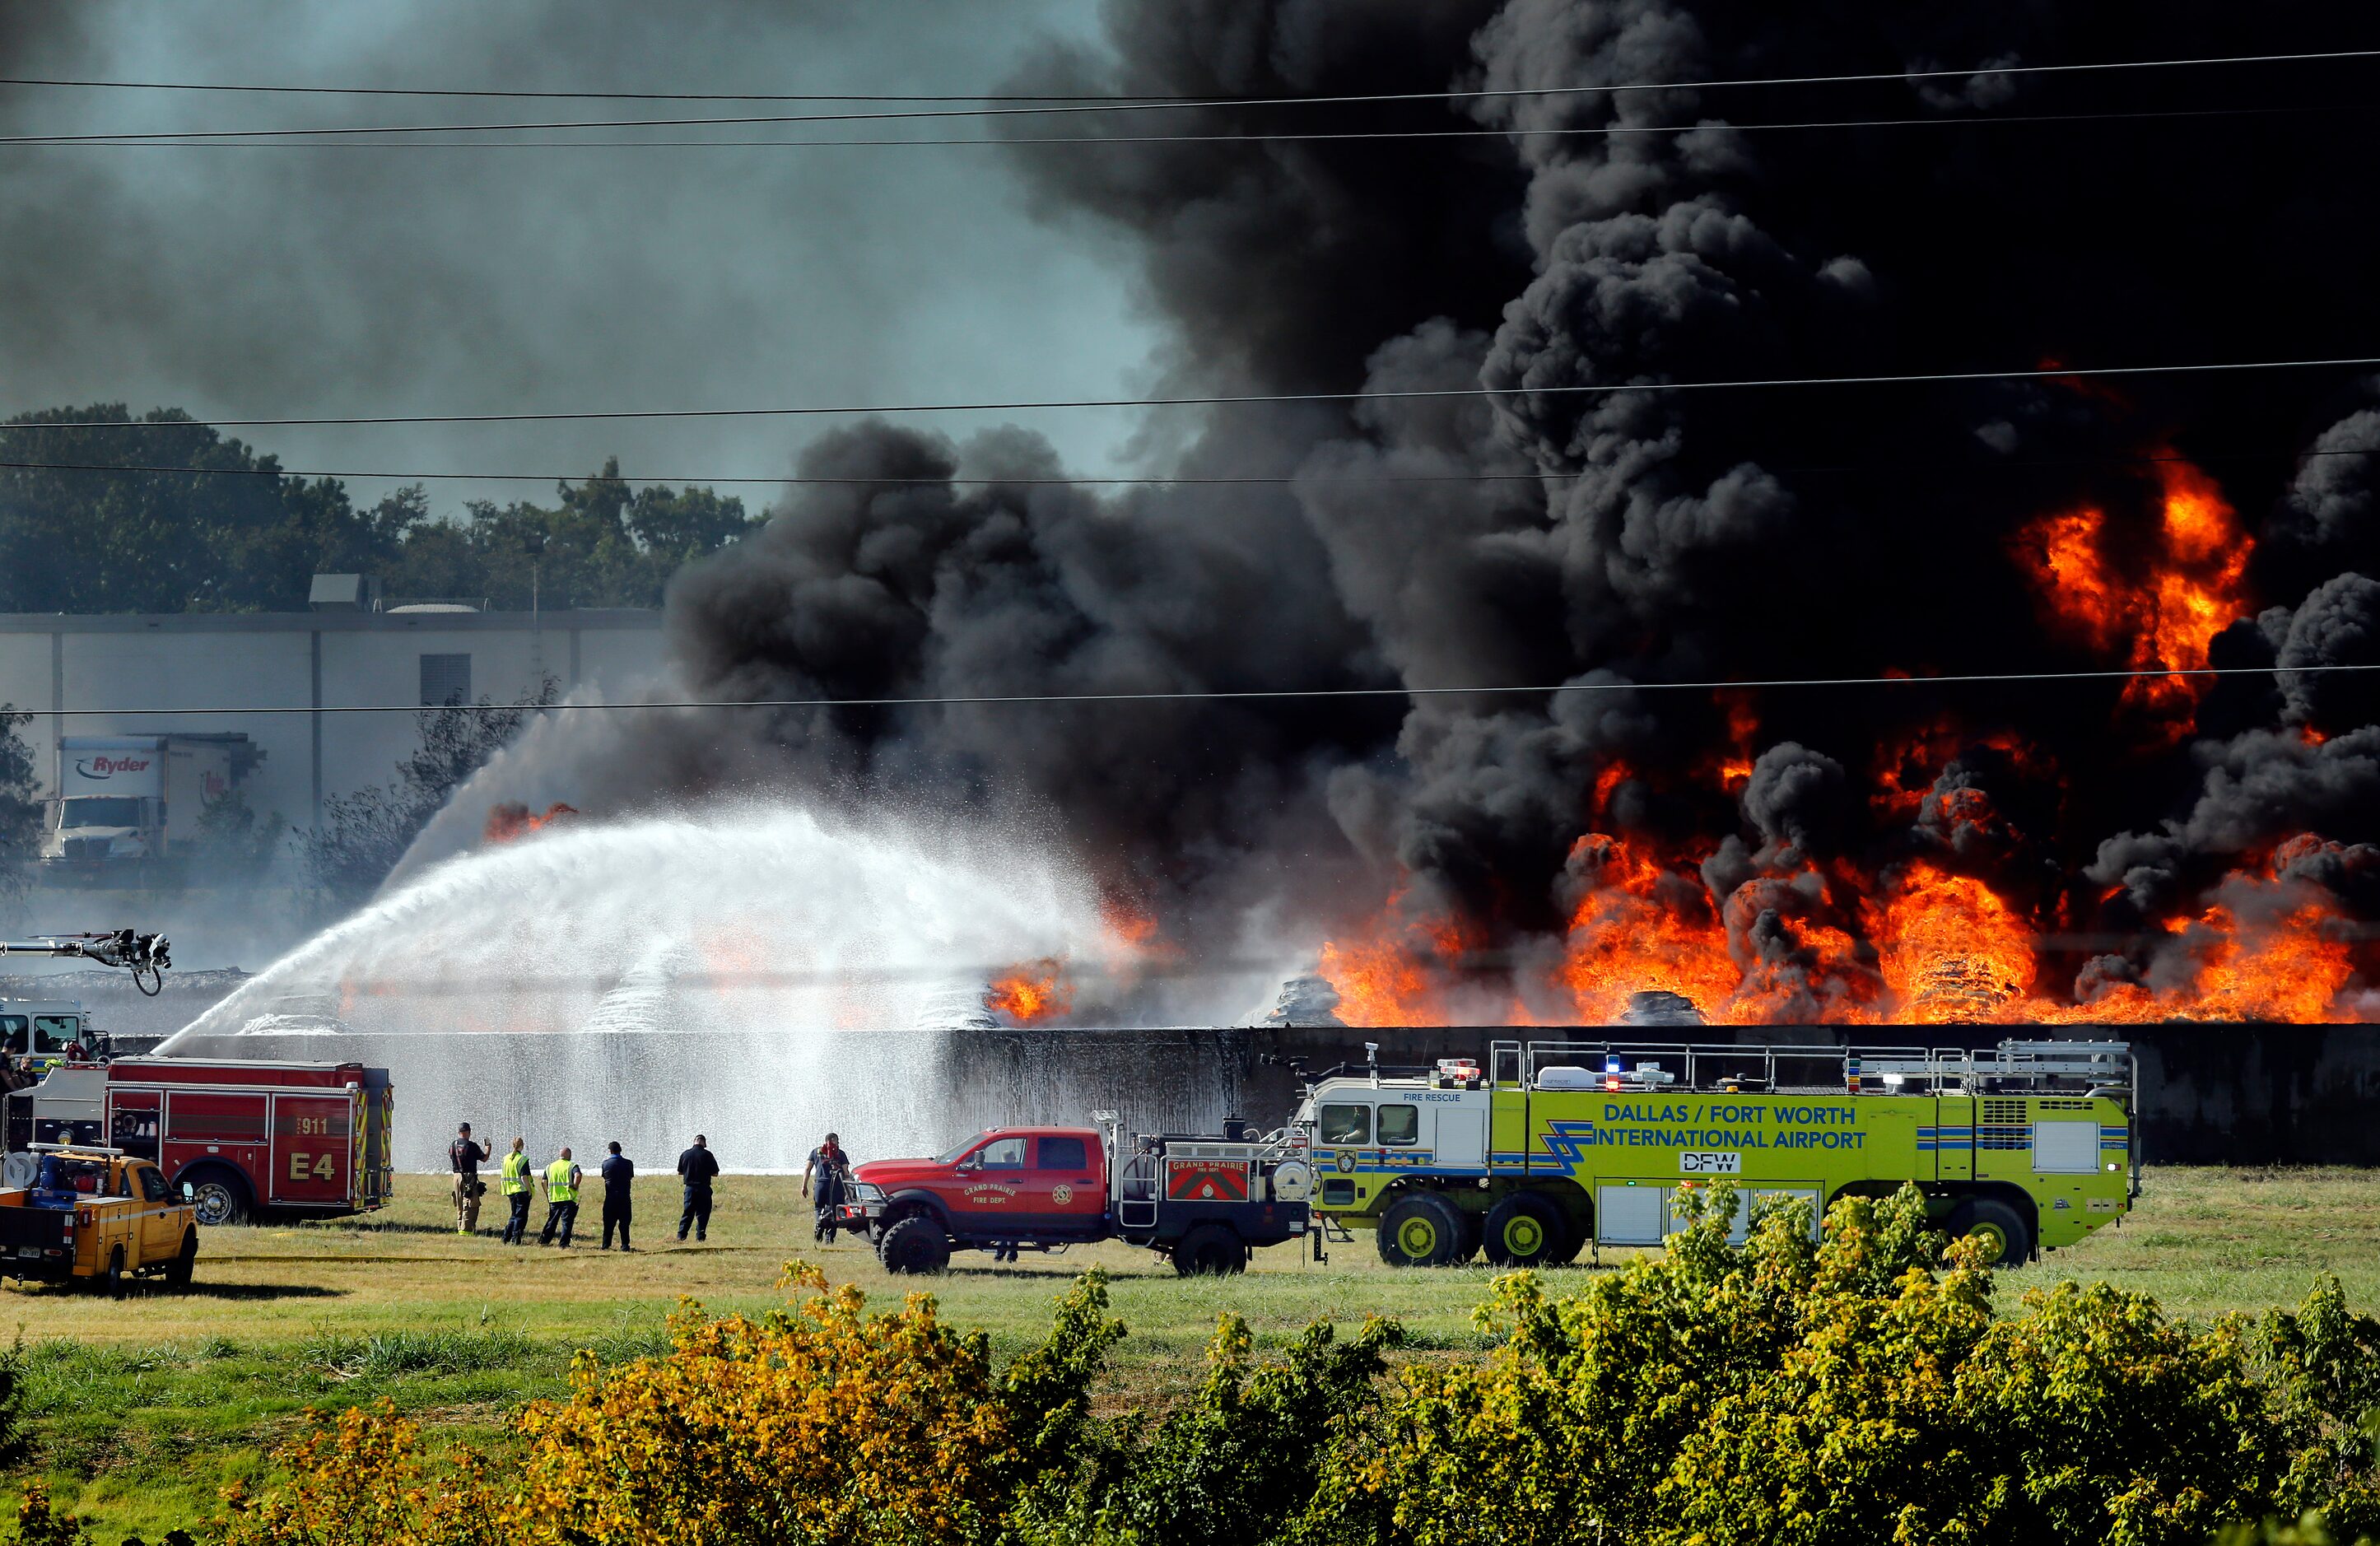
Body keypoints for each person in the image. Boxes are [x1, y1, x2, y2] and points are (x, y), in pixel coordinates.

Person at [801, 1132, 851, 1245]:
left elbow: (807, 1169)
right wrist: (849, 1189)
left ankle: (819, 1224)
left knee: (819, 1208)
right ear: (836, 1141)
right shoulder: (841, 1153)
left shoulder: (816, 1152)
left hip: (820, 1185)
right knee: (834, 1211)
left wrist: (804, 1186)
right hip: (836, 1186)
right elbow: (846, 1172)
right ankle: (829, 1238)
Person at [449, 1122, 491, 1236]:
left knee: (459, 1201)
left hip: (456, 1177)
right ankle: (466, 1230)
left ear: (459, 1132)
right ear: (469, 1132)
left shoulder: (453, 1145)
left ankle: (459, 1226)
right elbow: (484, 1158)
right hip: (469, 1177)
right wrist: (488, 1148)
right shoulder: (472, 1146)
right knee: (471, 1202)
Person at [676, 1134, 719, 1242]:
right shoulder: (708, 1155)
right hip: (703, 1188)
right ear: (704, 1142)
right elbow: (715, 1173)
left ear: (694, 1141)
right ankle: (700, 1236)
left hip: (690, 1189)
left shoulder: (685, 1154)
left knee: (687, 1213)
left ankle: (681, 1236)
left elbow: (680, 1172)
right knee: (703, 1214)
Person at [538, 1145, 583, 1247]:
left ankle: (544, 1241)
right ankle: (563, 1244)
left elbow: (543, 1181)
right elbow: (578, 1175)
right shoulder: (572, 1165)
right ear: (569, 1155)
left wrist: (547, 1194)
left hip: (554, 1198)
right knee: (566, 1222)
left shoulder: (550, 1166)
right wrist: (575, 1186)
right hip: (568, 1197)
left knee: (552, 1220)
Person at [599, 1139, 635, 1251]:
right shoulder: (628, 1163)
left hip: (610, 1198)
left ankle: (606, 1245)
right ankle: (625, 1245)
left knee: (608, 1223)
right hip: (624, 1197)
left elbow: (605, 1177)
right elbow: (630, 1176)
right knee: (624, 1223)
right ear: (620, 1150)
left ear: (610, 1151)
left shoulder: (605, 1164)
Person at [498, 1137, 534, 1246]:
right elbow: (524, 1177)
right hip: (521, 1190)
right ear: (522, 1146)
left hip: (509, 1190)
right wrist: (529, 1190)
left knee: (514, 1215)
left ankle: (506, 1237)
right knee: (520, 1217)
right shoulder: (522, 1159)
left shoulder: (506, 1159)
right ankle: (516, 1239)